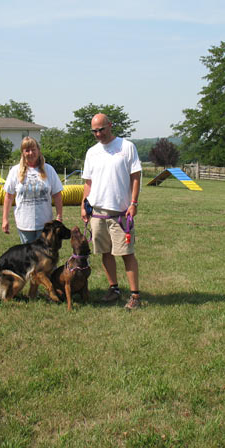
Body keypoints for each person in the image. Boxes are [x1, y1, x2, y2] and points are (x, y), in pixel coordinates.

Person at [81, 113, 143, 310]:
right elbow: (88, 182)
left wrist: (133, 203)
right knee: (105, 252)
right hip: (97, 212)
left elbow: (136, 176)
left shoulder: (126, 147)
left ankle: (135, 295)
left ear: (110, 125)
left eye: (101, 129)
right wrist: (84, 205)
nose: (98, 134)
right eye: (94, 131)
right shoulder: (91, 152)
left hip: (121, 213)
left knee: (126, 253)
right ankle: (114, 289)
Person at [2, 137, 63, 244]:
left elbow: (57, 195)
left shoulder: (49, 170)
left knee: (45, 257)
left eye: (33, 149)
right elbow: (9, 196)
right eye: (27, 150)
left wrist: (59, 216)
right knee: (28, 258)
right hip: (24, 224)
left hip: (45, 225)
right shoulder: (15, 171)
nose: (31, 153)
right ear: (23, 153)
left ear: (38, 150)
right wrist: (5, 219)